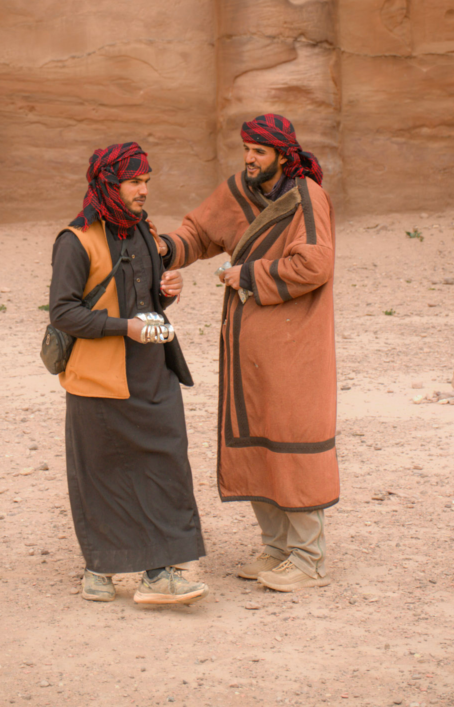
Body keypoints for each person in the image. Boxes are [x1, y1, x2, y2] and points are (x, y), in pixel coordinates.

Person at [152, 114, 338, 593]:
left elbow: (314, 262)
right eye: (246, 149)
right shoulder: (238, 188)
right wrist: (163, 248)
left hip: (294, 343)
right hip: (246, 344)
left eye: (259, 151)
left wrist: (250, 275)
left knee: (292, 435)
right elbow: (199, 231)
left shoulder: (306, 197)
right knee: (256, 434)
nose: (249, 158)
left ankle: (308, 558)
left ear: (282, 153)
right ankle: (276, 547)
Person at [49, 141, 207, 605]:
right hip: (99, 377)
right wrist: (124, 328)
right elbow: (64, 312)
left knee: (166, 466)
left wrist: (168, 289)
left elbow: (147, 298)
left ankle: (160, 572)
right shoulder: (74, 241)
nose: (144, 191)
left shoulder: (143, 231)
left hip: (153, 370)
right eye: (136, 182)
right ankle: (100, 565)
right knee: (103, 473)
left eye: (147, 182)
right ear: (109, 184)